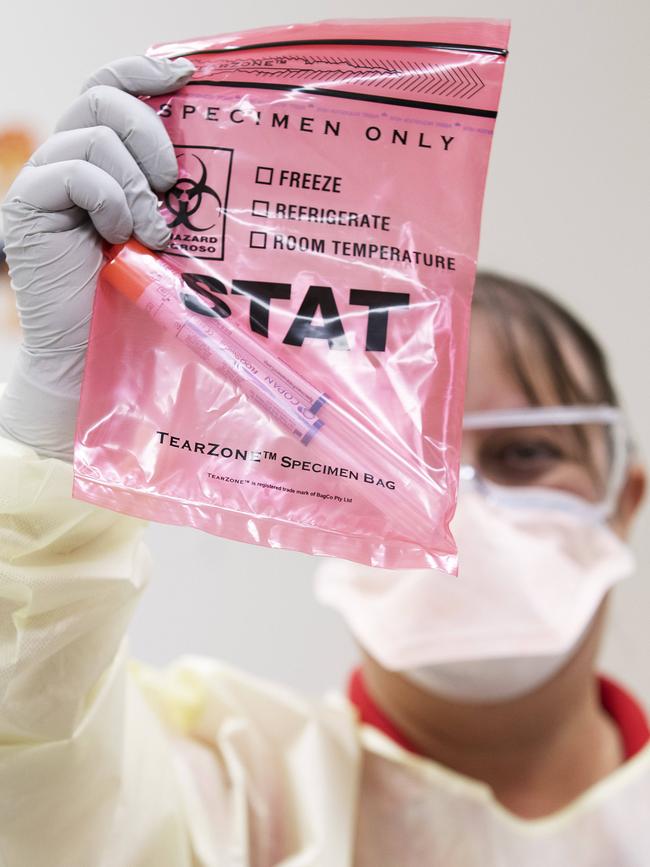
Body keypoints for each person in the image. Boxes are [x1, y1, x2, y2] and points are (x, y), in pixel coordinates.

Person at [0, 56, 647, 867]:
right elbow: (33, 770)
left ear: (625, 497)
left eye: (525, 453)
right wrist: (57, 443)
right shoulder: (233, 789)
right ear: (321, 499)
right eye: (402, 454)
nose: (455, 505)